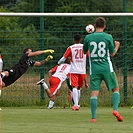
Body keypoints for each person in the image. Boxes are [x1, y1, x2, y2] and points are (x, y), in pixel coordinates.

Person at [83, 17, 123, 122]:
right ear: (104, 26)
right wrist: (117, 46)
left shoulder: (88, 38)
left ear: (95, 26)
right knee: (115, 89)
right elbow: (112, 53)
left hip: (94, 69)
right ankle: (115, 109)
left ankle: (93, 117)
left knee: (94, 93)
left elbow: (84, 52)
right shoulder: (108, 37)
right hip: (106, 68)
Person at [58, 34, 89, 111]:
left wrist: (59, 62)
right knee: (79, 88)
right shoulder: (85, 47)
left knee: (74, 87)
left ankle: (75, 105)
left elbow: (64, 58)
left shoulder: (71, 48)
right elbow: (90, 56)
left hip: (74, 70)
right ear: (81, 39)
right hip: (82, 70)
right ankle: (77, 104)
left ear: (74, 40)